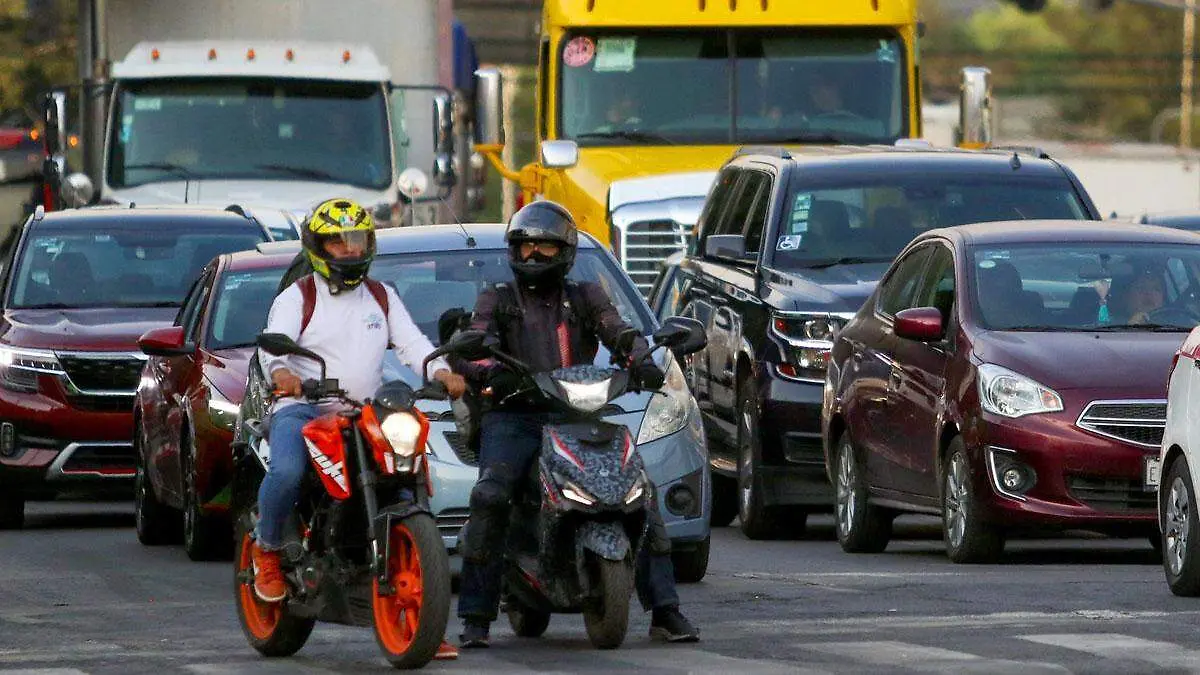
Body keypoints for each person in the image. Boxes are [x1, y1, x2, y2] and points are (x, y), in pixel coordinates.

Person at [453, 200, 700, 648]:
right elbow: (474, 345)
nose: (533, 257)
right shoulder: (499, 298)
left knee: (639, 492)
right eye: (525, 249)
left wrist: (641, 361)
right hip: (516, 415)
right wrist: (491, 368)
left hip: (576, 410)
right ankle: (475, 617)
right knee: (491, 495)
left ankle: (666, 610)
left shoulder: (586, 294)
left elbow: (619, 331)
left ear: (564, 252)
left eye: (544, 249)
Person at [250, 198, 467, 651]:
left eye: (357, 241)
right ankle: (267, 550)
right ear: (317, 247)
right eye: (338, 242)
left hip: (366, 412)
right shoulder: (299, 296)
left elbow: (414, 346)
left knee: (407, 483)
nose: (350, 250)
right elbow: (274, 348)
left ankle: (424, 627)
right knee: (287, 471)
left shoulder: (382, 296)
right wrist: (284, 375)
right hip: (302, 410)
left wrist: (441, 373)